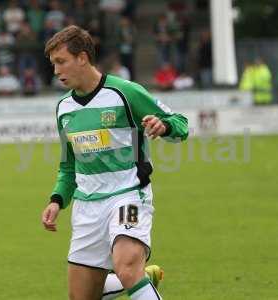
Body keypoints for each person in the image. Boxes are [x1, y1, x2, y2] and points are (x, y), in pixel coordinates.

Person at [41, 25, 188, 300]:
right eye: (53, 64)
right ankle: (140, 280)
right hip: (87, 208)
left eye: (61, 62)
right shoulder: (64, 109)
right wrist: (56, 200)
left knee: (127, 267)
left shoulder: (124, 92)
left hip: (128, 195)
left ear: (82, 58)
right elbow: (69, 167)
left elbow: (181, 123)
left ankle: (134, 279)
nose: (56, 71)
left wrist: (163, 126)